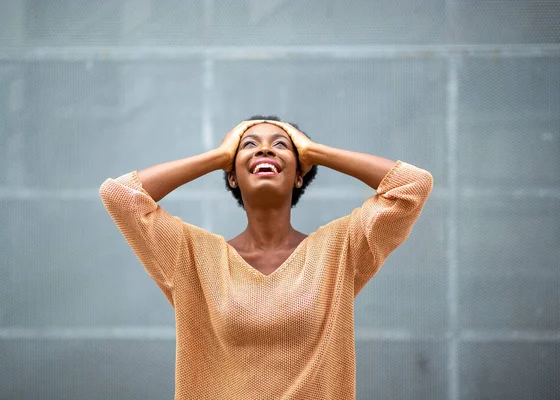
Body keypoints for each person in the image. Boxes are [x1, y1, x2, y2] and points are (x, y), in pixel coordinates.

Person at [99, 116, 433, 399]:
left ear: (299, 174)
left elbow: (412, 186)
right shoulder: (192, 257)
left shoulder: (341, 249)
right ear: (232, 176)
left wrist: (313, 151)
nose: (265, 148)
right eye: (248, 144)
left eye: (281, 144)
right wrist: (218, 155)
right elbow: (120, 196)